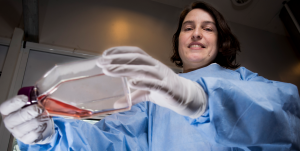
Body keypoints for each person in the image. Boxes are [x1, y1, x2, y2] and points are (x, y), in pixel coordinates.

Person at [1, 1, 300, 150]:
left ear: (221, 42)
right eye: (187, 27)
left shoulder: (247, 81)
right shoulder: (151, 98)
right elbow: (109, 140)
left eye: (207, 28)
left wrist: (202, 100)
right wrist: (50, 137)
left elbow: (287, 117)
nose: (196, 33)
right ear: (179, 42)